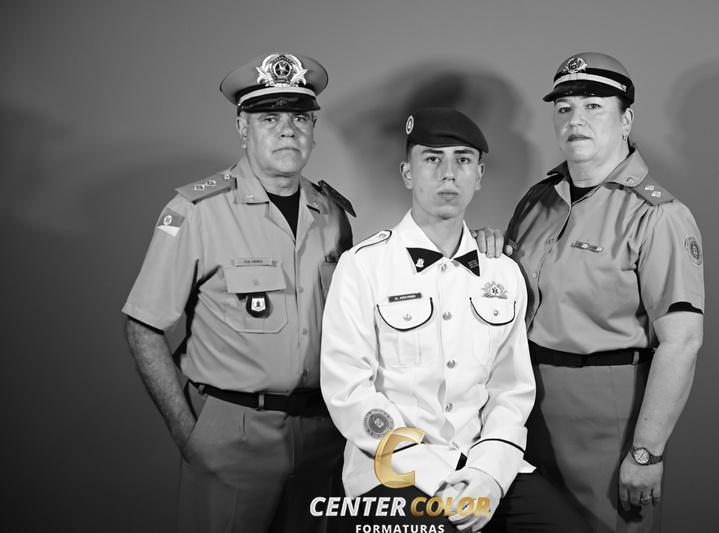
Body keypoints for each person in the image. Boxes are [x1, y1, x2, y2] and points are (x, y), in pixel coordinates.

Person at [320, 108, 590, 532]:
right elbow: (349, 391)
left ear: (478, 175)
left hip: (482, 460)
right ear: (408, 173)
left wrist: (487, 476)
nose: (448, 173)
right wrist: (437, 480)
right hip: (391, 469)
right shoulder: (363, 266)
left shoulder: (502, 272)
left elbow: (511, 391)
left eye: (462, 160)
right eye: (432, 159)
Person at [122, 52, 355, 532]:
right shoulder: (196, 212)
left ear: (313, 129)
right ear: (242, 128)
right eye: (269, 118)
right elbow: (142, 327)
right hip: (234, 431)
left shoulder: (332, 214)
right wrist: (189, 433)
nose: (287, 131)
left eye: (299, 118)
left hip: (323, 432)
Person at [504, 52, 705, 532]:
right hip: (522, 405)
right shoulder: (537, 201)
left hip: (606, 414)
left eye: (593, 106)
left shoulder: (657, 215)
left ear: (626, 120)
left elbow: (682, 342)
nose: (576, 120)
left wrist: (646, 451)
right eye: (565, 108)